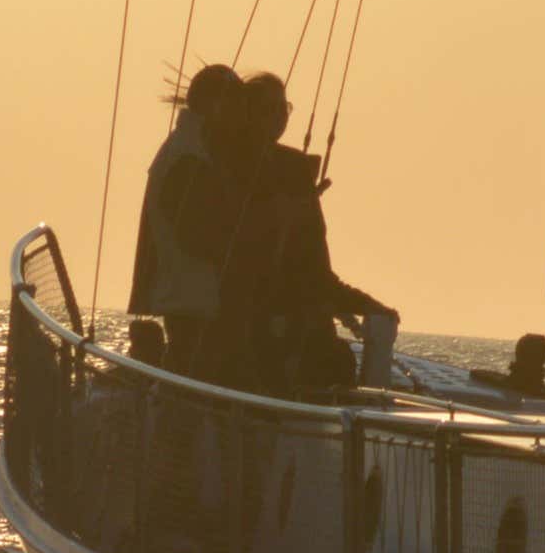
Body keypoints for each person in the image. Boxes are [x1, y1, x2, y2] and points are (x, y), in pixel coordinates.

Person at [215, 72, 395, 397]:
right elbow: (280, 263)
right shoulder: (233, 169)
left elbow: (313, 268)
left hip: (301, 326)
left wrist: (362, 304)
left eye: (284, 107)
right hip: (267, 333)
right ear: (248, 112)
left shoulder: (290, 168)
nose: (280, 116)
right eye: (269, 108)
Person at [126, 64, 245, 373]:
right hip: (193, 302)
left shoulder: (189, 150)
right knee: (194, 390)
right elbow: (197, 237)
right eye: (236, 105)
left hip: (191, 300)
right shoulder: (189, 159)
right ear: (215, 105)